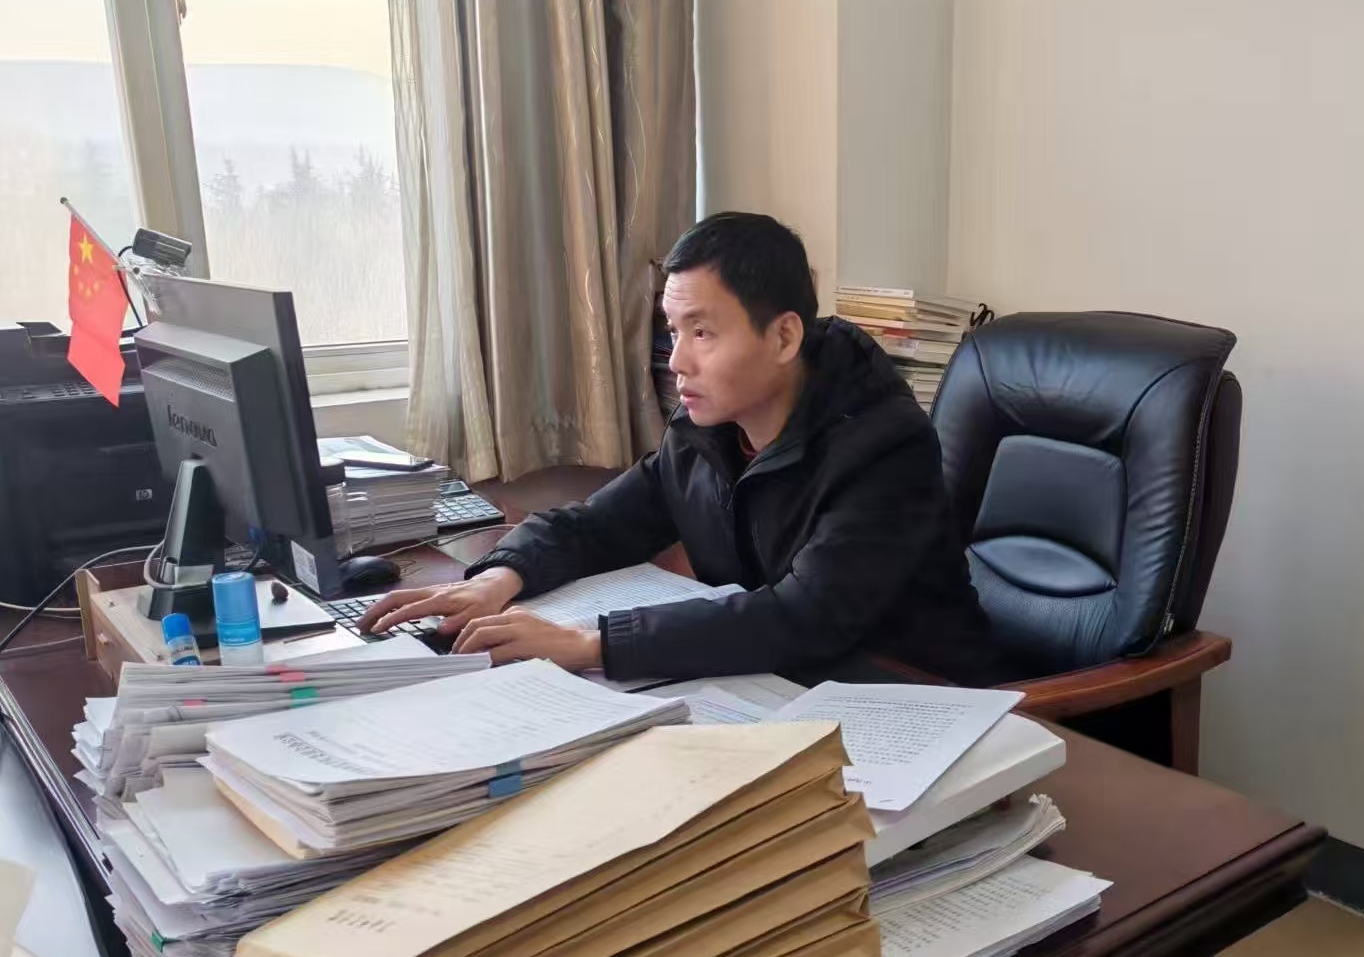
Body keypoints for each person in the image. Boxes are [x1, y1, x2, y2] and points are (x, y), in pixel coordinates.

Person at [361, 212, 996, 684]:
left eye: (703, 333)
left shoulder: (885, 447)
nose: (677, 360)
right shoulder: (705, 431)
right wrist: (499, 579)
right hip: (786, 682)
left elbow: (804, 616)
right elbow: (598, 525)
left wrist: (590, 643)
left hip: (920, 696)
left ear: (783, 338)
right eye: (674, 331)